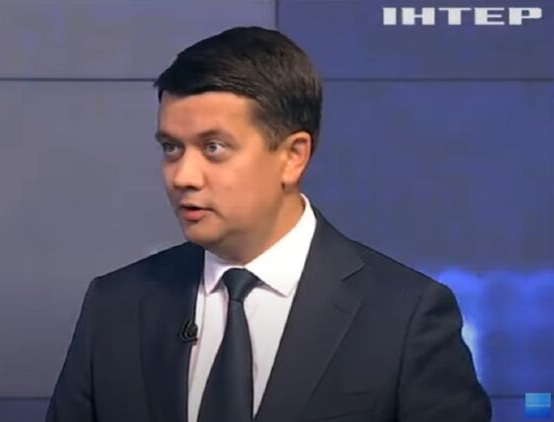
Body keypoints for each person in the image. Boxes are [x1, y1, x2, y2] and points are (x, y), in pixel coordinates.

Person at [46, 26, 491, 422]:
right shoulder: (115, 307)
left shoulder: (404, 317)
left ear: (293, 156)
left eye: (213, 147)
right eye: (171, 148)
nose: (182, 176)